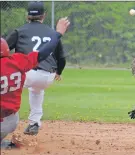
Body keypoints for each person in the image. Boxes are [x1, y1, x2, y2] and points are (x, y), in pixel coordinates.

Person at [0, 17, 70, 148]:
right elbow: (44, 52)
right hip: (10, 122)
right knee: (35, 92)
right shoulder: (17, 62)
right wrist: (58, 33)